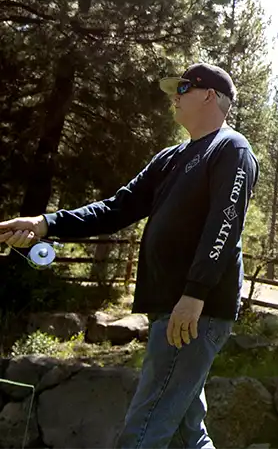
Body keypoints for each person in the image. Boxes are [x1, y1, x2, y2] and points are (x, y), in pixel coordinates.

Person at [0, 63, 259, 449]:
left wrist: (194, 294)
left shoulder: (231, 149)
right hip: (172, 308)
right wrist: (46, 223)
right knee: (189, 433)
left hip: (193, 312)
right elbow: (116, 208)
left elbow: (225, 225)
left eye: (184, 87)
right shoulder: (170, 158)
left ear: (210, 96)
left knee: (144, 428)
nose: (175, 95)